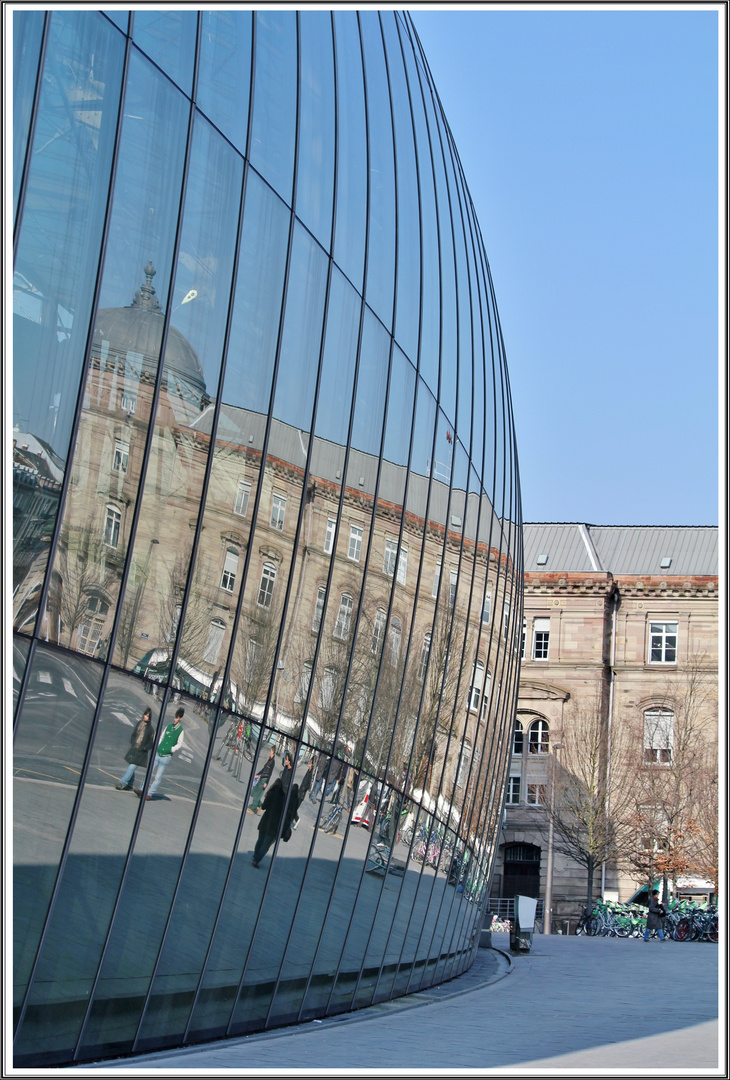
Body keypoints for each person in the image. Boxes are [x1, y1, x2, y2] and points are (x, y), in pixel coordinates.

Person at [136, 706, 184, 801]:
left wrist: (172, 749)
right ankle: (142, 789)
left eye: (177, 718)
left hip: (166, 757)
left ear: (180, 719)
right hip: (158, 753)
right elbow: (161, 737)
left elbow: (180, 744)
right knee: (149, 772)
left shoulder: (180, 731)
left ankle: (149, 794)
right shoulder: (169, 727)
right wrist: (157, 745)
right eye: (175, 717)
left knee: (158, 777)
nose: (175, 719)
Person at [116, 708, 155, 790]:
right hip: (134, 750)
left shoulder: (150, 729)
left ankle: (121, 783)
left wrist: (144, 748)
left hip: (141, 753)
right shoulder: (139, 723)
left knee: (131, 768)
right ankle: (130, 784)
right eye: (145, 714)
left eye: (147, 716)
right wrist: (133, 741)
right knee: (131, 767)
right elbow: (134, 734)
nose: (145, 717)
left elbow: (150, 743)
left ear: (150, 718)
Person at [252, 778, 286, 867]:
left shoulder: (271, 793)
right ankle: (256, 860)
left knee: (260, 840)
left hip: (265, 821)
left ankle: (255, 856)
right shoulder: (283, 797)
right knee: (266, 845)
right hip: (274, 825)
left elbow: (263, 807)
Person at [249, 746, 276, 814]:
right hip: (261, 777)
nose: (270, 752)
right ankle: (261, 805)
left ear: (273, 752)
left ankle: (253, 808)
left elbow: (270, 773)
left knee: (257, 794)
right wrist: (257, 774)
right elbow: (264, 769)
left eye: (271, 751)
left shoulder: (272, 762)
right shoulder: (270, 760)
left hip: (264, 779)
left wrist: (266, 782)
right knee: (254, 791)